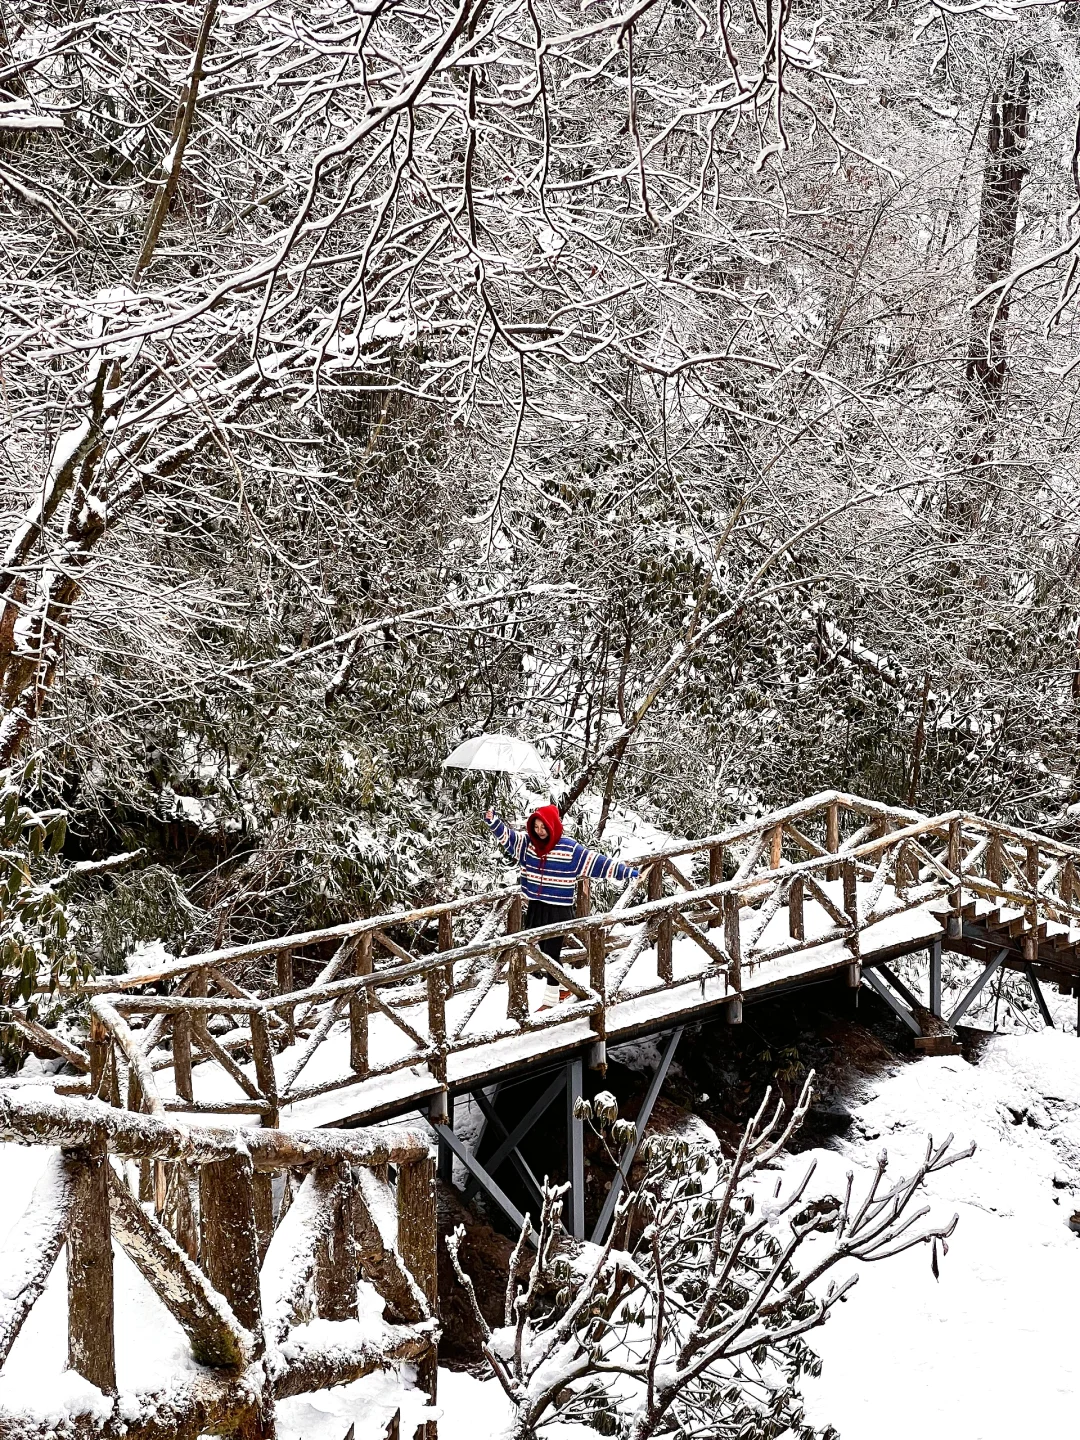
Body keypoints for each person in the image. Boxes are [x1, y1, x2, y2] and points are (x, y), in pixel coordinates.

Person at [484, 803, 639, 1009]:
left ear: (553, 826)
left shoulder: (569, 849)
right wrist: (493, 822)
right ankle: (564, 987)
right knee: (541, 949)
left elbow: (598, 862)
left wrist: (625, 871)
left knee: (550, 952)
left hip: (558, 907)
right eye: (536, 827)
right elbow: (509, 838)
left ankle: (550, 1000)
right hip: (537, 904)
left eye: (544, 827)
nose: (540, 832)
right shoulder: (528, 844)